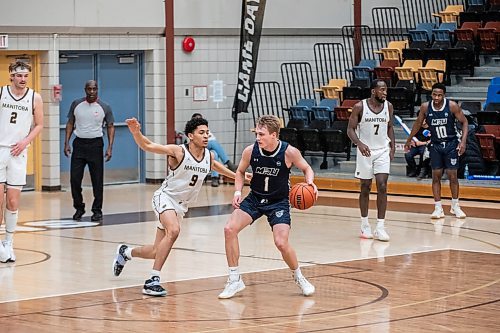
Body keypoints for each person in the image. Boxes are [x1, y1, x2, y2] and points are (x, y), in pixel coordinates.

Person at [112, 117, 249, 296]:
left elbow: (217, 167)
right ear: (191, 136)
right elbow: (149, 146)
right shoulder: (178, 151)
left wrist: (240, 177)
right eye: (202, 133)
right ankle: (152, 280)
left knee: (156, 251)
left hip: (180, 207)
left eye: (207, 132)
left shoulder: (209, 156)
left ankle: (126, 252)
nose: (206, 136)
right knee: (174, 231)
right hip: (165, 197)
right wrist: (136, 132)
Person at [218, 115, 317, 299]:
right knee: (229, 229)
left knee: (281, 242)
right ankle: (234, 279)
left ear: (274, 135)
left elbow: (306, 168)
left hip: (278, 201)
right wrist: (238, 192)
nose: (257, 137)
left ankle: (299, 276)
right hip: (255, 198)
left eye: (261, 134)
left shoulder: (289, 152)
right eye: (257, 133)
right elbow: (240, 171)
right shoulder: (250, 151)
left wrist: (310, 183)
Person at [0, 61, 43, 263]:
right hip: (0, 150)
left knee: (13, 201)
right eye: (19, 75)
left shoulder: (35, 97)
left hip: (18, 153)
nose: (22, 79)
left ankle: (9, 242)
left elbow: (40, 124)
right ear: (11, 76)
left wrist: (25, 141)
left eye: (25, 75)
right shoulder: (1, 93)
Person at [405, 83, 468, 219]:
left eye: (439, 95)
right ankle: (438, 207)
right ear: (431, 94)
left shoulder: (451, 106)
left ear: (444, 95)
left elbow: (464, 122)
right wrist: (409, 139)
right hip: (435, 145)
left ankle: (455, 205)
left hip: (451, 144)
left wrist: (463, 141)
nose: (436, 97)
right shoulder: (425, 107)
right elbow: (417, 124)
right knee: (436, 176)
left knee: (452, 176)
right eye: (434, 94)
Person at [347, 79, 395, 242]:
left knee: (382, 185)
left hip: (382, 150)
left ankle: (380, 227)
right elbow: (350, 129)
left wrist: (392, 146)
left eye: (386, 90)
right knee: (365, 187)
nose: (384, 92)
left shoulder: (388, 106)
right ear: (373, 91)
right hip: (365, 151)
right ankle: (364, 224)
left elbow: (390, 127)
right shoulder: (360, 107)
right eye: (381, 90)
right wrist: (359, 143)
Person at [64, 80, 115, 222]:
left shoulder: (105, 107)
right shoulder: (76, 104)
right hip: (79, 144)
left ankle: (97, 210)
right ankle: (79, 207)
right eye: (89, 89)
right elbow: (70, 123)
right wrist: (66, 142)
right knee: (75, 179)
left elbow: (110, 126)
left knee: (97, 180)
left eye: (94, 89)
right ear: (85, 89)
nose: (92, 92)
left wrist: (110, 147)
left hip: (96, 145)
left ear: (97, 90)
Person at [191, 113, 237, 187]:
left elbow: (212, 138)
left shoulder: (205, 128)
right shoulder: (191, 130)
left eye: (200, 119)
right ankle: (228, 163)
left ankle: (215, 177)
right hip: (197, 150)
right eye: (197, 119)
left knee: (214, 154)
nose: (199, 121)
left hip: (206, 149)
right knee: (213, 143)